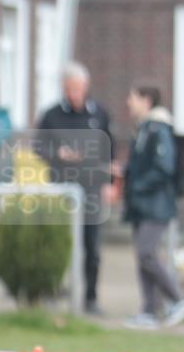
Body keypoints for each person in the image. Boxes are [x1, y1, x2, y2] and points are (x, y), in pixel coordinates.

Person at [36, 61, 113, 314]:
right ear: (64, 88)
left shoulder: (99, 114)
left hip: (91, 191)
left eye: (78, 89)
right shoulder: (51, 115)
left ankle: (91, 299)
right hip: (61, 190)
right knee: (58, 244)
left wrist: (110, 184)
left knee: (92, 248)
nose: (74, 95)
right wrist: (58, 153)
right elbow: (38, 147)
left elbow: (108, 152)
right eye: (70, 89)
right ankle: (52, 293)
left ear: (86, 87)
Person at [122, 86, 184, 329]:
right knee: (141, 255)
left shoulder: (158, 128)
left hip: (156, 204)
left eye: (133, 97)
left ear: (146, 100)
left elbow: (163, 167)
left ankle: (177, 299)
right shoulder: (144, 128)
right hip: (142, 205)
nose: (128, 101)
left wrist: (137, 186)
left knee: (147, 253)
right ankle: (149, 310)